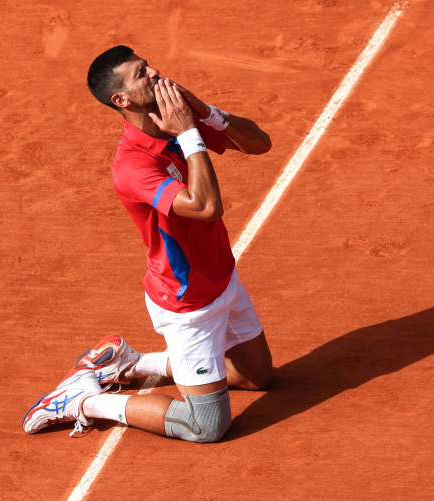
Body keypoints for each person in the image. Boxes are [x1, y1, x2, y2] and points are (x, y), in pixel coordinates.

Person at [23, 45, 273, 443]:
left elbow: (260, 143)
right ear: (120, 100)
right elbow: (206, 206)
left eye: (148, 64)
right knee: (206, 426)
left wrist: (204, 113)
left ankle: (130, 363)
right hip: (187, 303)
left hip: (222, 279)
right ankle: (83, 400)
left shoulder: (172, 123)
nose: (155, 73)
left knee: (257, 377)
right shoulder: (132, 165)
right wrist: (190, 134)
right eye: (141, 73)